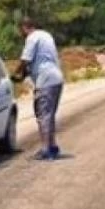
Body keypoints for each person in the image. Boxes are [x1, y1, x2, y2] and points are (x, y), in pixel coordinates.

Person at [11, 16, 64, 160]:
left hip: (45, 80)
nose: (20, 34)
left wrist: (15, 73)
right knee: (49, 115)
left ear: (24, 27)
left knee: (43, 116)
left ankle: (46, 150)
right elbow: (40, 61)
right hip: (57, 79)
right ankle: (53, 146)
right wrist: (24, 75)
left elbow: (25, 60)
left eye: (20, 30)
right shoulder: (46, 36)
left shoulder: (32, 38)